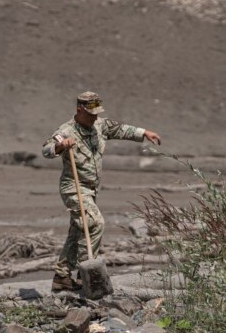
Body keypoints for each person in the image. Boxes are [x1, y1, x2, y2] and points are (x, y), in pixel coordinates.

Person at [42, 91, 161, 291]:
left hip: (91, 189)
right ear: (79, 109)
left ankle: (62, 276)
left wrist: (144, 132)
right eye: (90, 113)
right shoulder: (67, 130)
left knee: (78, 231)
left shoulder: (100, 125)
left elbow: (121, 129)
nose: (94, 117)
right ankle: (85, 274)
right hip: (74, 187)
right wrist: (61, 146)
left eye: (97, 112)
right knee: (94, 224)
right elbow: (46, 149)